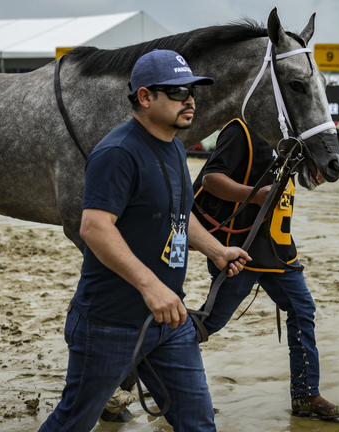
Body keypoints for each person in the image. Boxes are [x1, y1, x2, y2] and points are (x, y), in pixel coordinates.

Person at [38, 49, 251, 432]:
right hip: (110, 324)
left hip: (170, 321)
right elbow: (95, 227)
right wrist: (152, 287)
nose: (190, 100)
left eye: (192, 90)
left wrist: (217, 250)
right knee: (72, 423)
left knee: (198, 424)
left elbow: (179, 214)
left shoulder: (173, 147)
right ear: (145, 97)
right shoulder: (118, 152)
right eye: (177, 91)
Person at [191, 118, 339, 420]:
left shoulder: (292, 136)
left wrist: (313, 173)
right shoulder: (241, 129)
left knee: (303, 310)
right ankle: (152, 366)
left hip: (280, 250)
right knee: (209, 322)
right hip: (240, 248)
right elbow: (210, 179)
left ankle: (306, 395)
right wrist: (255, 194)